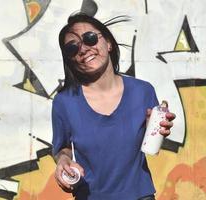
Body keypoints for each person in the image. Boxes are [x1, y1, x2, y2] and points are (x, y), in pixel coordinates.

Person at [52, 13, 175, 200]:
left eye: (90, 38)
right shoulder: (65, 102)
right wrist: (63, 160)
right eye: (72, 48)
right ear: (70, 60)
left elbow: (152, 147)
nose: (83, 49)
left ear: (108, 43)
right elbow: (63, 147)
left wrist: (155, 130)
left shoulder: (143, 91)